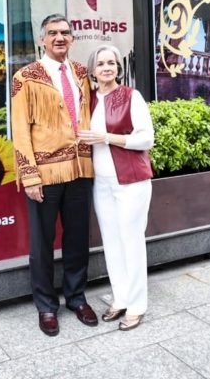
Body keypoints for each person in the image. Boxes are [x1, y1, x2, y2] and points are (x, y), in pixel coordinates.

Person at [11, 13, 96, 337]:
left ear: (72, 39)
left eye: (65, 32)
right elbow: (20, 130)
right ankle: (46, 305)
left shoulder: (79, 73)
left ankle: (76, 297)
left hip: (79, 170)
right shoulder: (26, 77)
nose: (59, 37)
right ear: (42, 40)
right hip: (44, 175)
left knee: (77, 239)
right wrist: (29, 175)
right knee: (42, 243)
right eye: (53, 33)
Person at [77, 45, 154, 332]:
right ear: (93, 71)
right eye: (101, 64)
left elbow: (146, 139)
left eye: (112, 63)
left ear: (118, 69)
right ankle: (120, 297)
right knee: (111, 241)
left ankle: (136, 305)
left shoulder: (131, 97)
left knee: (131, 240)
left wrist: (107, 137)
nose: (107, 68)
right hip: (102, 182)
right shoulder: (90, 100)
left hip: (131, 181)